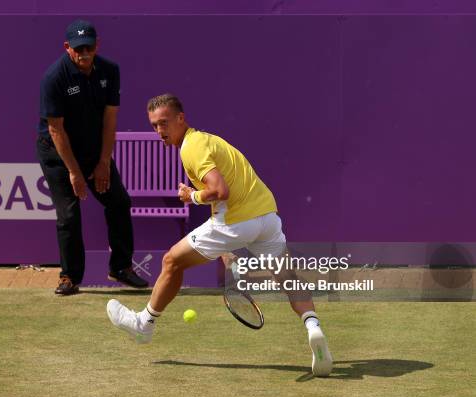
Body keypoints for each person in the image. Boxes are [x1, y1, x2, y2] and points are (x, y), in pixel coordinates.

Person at [106, 94, 333, 376]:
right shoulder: (210, 140)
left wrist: (192, 196)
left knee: (171, 261)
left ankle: (144, 325)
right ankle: (314, 328)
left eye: (164, 123)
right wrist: (227, 250)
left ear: (181, 118)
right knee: (288, 279)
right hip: (267, 217)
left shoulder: (191, 148)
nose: (159, 131)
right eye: (154, 125)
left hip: (236, 220)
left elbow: (219, 191)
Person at [37, 19, 148, 295]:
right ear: (67, 48)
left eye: (89, 47)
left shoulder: (110, 71)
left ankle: (121, 267)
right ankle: (69, 277)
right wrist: (74, 172)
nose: (84, 54)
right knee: (69, 214)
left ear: (97, 45)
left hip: (93, 148)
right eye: (78, 49)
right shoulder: (54, 77)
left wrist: (103, 163)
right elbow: (55, 129)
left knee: (119, 201)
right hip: (57, 152)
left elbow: (110, 120)